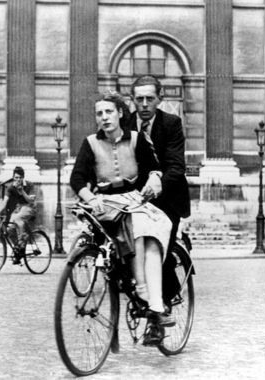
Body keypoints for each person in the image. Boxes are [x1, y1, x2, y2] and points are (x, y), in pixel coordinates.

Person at [69, 91, 174, 341]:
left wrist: (153, 179)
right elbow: (77, 177)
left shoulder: (137, 139)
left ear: (119, 113)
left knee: (149, 235)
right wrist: (90, 197)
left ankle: (153, 300)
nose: (104, 117)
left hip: (134, 200)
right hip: (104, 201)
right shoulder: (91, 143)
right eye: (99, 113)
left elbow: (153, 169)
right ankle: (142, 291)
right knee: (131, 228)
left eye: (108, 112)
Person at [129, 75, 191, 303]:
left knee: (156, 251)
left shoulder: (171, 124)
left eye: (150, 98)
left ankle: (162, 308)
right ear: (132, 100)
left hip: (167, 199)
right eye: (139, 99)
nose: (144, 104)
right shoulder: (124, 124)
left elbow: (176, 167)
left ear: (160, 99)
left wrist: (157, 185)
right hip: (135, 200)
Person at [0, 166, 36, 264]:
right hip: (18, 208)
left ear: (23, 178)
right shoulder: (10, 188)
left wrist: (22, 191)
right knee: (9, 230)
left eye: (20, 178)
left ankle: (22, 244)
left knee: (18, 218)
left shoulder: (29, 185)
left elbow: (30, 200)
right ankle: (18, 251)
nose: (18, 180)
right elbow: (5, 202)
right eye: (16, 178)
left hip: (29, 207)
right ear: (13, 177)